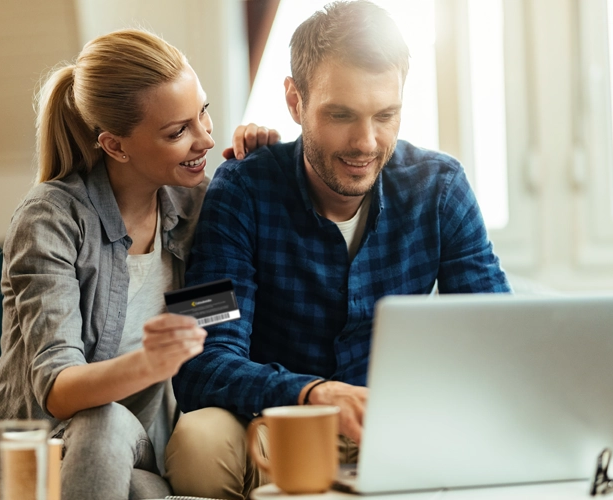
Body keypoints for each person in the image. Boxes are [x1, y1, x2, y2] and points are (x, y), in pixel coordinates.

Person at [165, 1, 512, 499]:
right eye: (341, 115)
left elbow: (499, 338)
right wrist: (311, 393)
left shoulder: (441, 188)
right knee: (198, 442)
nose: (365, 142)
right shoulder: (239, 190)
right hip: (278, 431)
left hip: (399, 430)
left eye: (385, 115)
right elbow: (199, 361)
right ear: (294, 101)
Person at [0, 29, 278, 500]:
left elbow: (224, 316)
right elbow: (58, 387)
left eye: (204, 113)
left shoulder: (195, 208)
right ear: (115, 146)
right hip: (31, 460)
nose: (206, 140)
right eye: (178, 131)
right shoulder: (50, 218)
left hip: (134, 452)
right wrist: (151, 362)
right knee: (107, 422)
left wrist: (259, 172)